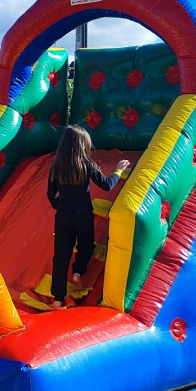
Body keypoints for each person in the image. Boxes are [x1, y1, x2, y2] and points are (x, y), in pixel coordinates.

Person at [47, 124, 130, 309]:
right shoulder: (86, 164)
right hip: (83, 214)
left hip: (63, 217)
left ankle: (57, 299)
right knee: (86, 245)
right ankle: (77, 272)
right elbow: (107, 185)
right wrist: (118, 170)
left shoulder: (57, 167)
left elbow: (50, 194)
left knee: (61, 257)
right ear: (81, 146)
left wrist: (60, 207)